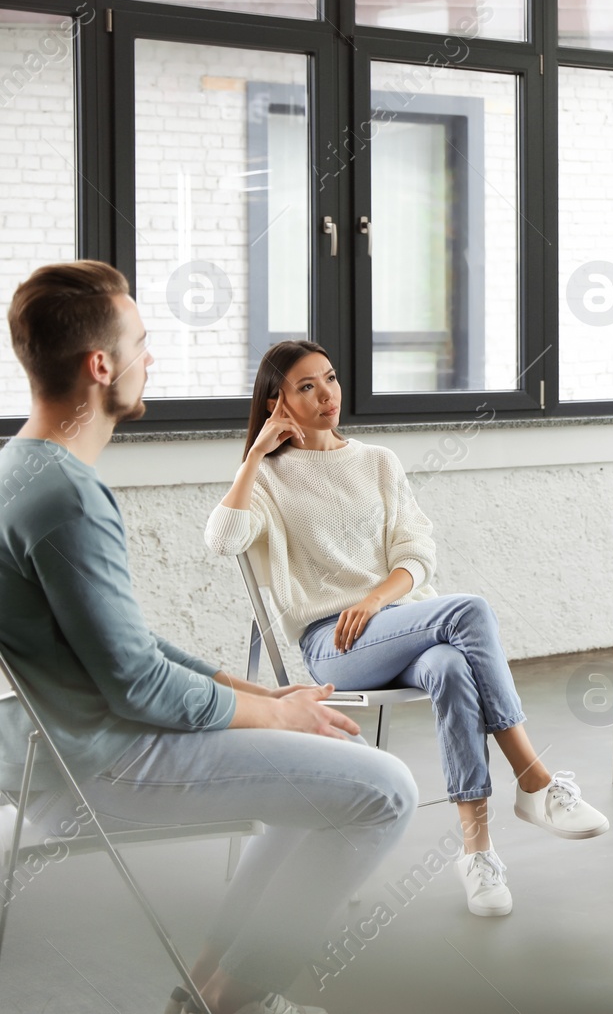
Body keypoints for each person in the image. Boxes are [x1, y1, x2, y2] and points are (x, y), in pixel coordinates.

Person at [0, 261, 417, 1014]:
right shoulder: (64, 494)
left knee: (337, 756)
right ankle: (236, 1001)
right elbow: (138, 684)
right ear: (101, 366)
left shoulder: (20, 468)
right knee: (388, 788)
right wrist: (281, 715)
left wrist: (262, 691)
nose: (149, 358)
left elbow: (132, 647)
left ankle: (209, 988)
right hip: (103, 764)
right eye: (141, 342)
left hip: (70, 746)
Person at [204, 340, 608, 919]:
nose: (328, 395)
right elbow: (222, 541)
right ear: (277, 402)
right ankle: (533, 777)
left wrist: (373, 600)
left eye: (331, 379)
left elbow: (417, 554)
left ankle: (477, 854)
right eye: (307, 387)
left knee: (449, 665)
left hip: (394, 620)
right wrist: (253, 457)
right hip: (333, 645)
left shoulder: (376, 461)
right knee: (469, 611)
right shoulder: (268, 478)